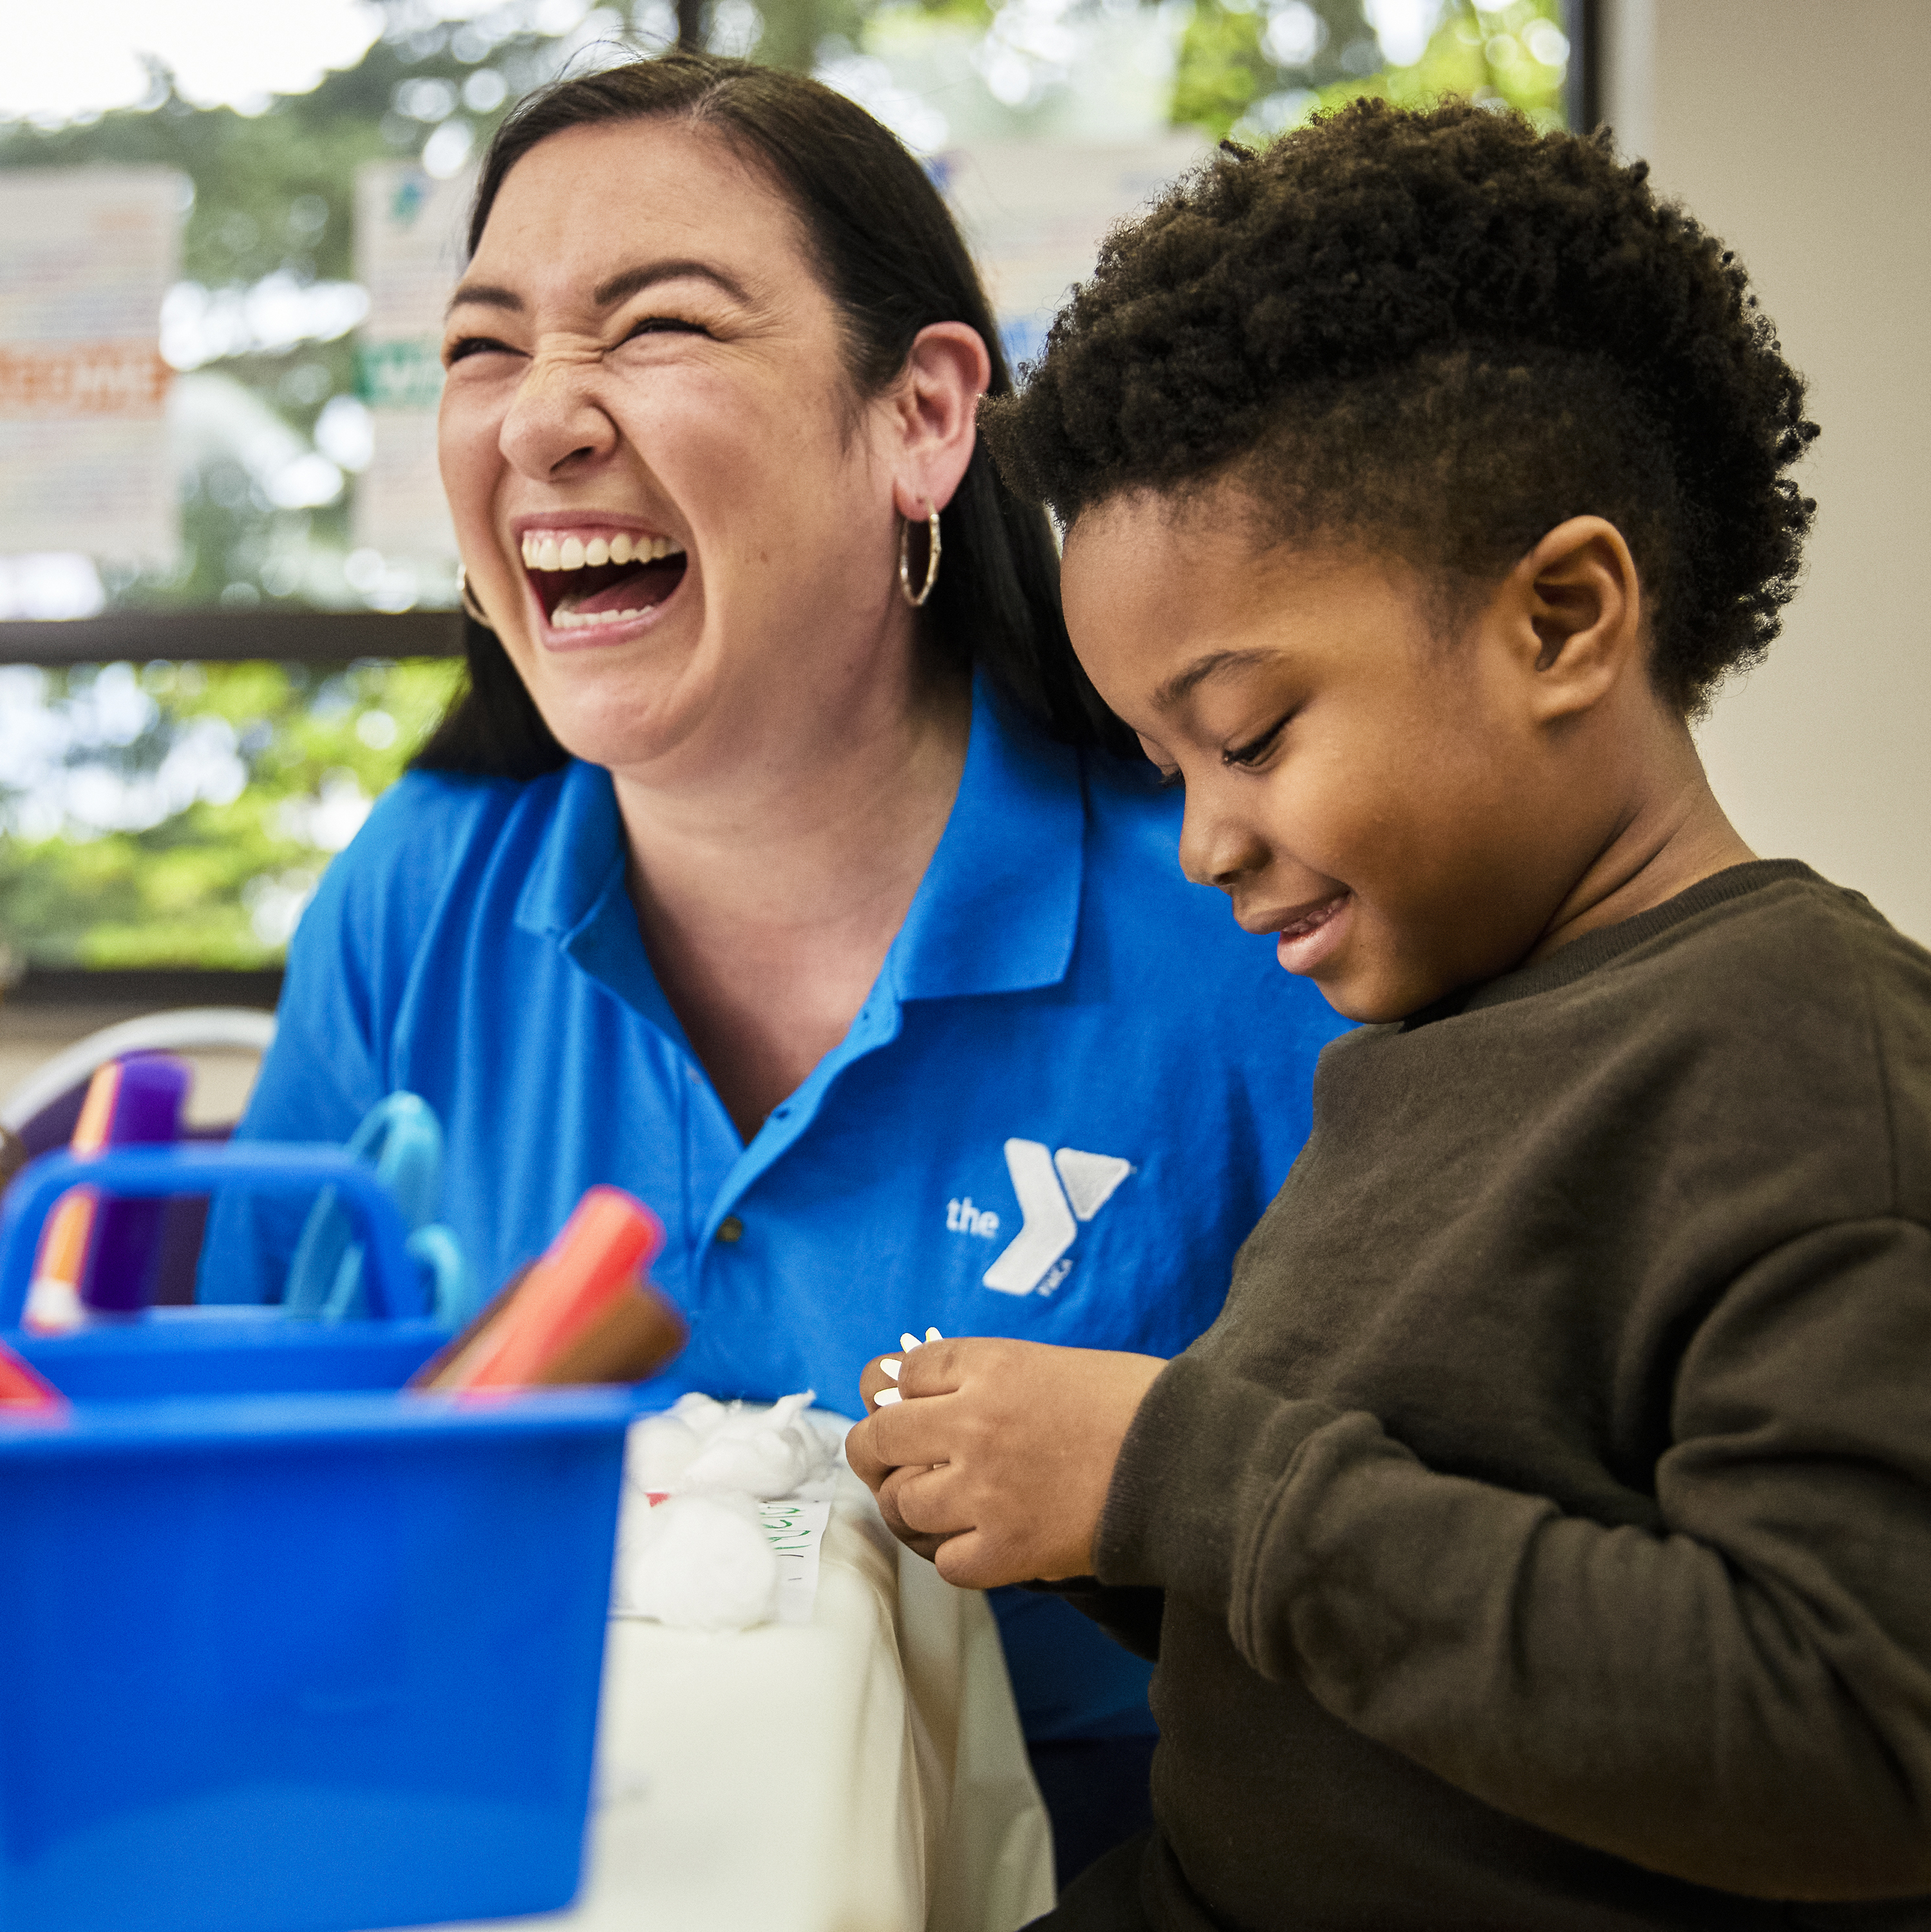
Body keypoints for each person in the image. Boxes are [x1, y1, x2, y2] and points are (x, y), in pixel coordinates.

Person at [206, 53, 1348, 1885]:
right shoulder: (414, 897)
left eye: (654, 328)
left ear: (922, 417)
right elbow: (243, 1492)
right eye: (483, 348)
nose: (538, 423)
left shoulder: (1241, 921)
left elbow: (1422, 1585)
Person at [846, 100, 1931, 1929]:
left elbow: (1858, 1737)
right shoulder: (1425, 1063)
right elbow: (1411, 1591)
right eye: (1161, 762)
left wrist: (1178, 1471)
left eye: (1253, 733)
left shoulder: (1805, 1053)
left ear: (1566, 619)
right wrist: (1095, 1515)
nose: (1202, 841)